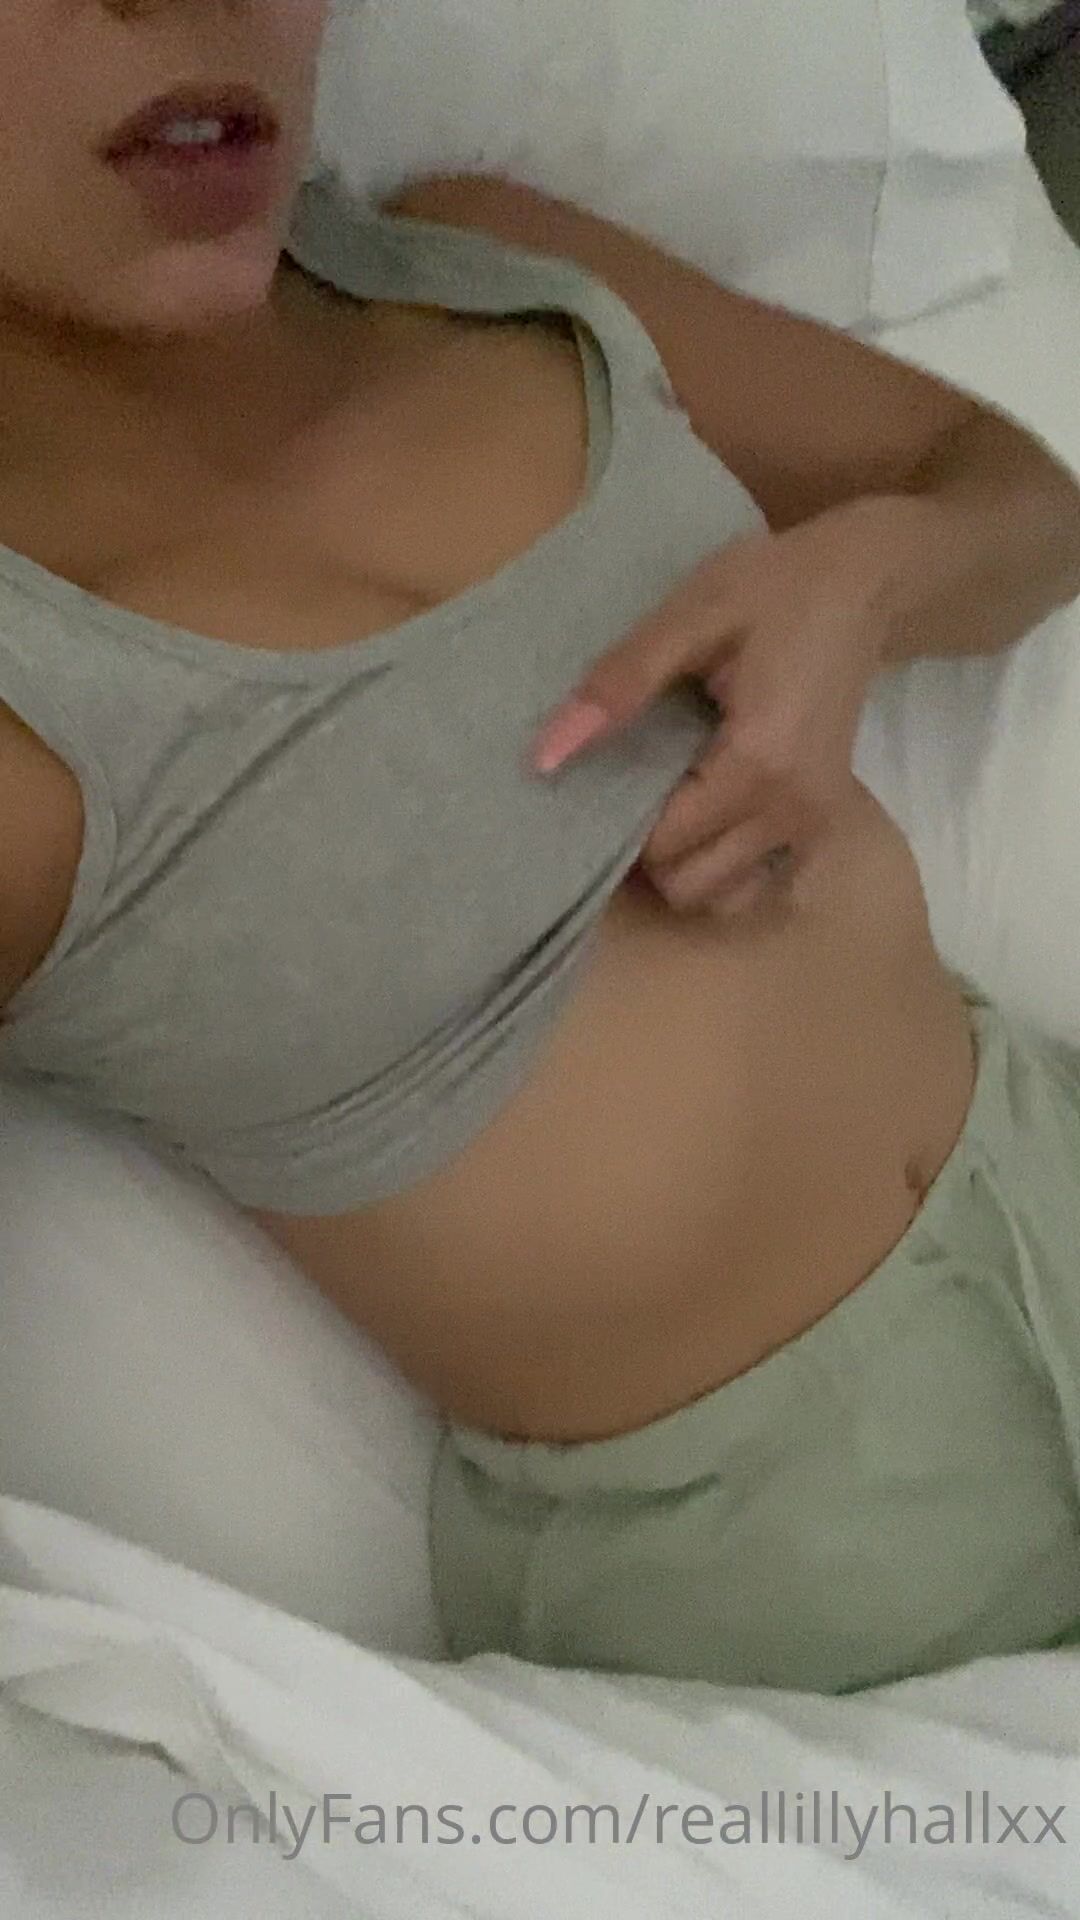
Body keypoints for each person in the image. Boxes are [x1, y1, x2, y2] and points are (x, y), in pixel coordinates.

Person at [2, 0, 1079, 1697]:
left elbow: (1021, 497)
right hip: (801, 1560)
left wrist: (868, 580)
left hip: (1044, 1148)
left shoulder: (487, 269)